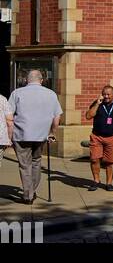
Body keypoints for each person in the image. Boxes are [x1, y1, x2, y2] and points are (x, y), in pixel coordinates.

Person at [8, 68, 62, 204]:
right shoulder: (51, 94)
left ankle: (28, 196)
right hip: (41, 135)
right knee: (36, 162)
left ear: (27, 80)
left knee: (25, 165)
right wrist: (52, 133)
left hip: (21, 135)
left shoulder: (17, 93)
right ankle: (32, 190)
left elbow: (9, 116)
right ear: (42, 80)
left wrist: (8, 136)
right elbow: (57, 117)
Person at [85, 84, 113, 191]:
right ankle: (96, 181)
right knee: (94, 159)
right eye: (104, 94)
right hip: (97, 136)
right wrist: (97, 104)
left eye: (108, 94)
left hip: (112, 137)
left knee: (110, 162)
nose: (106, 96)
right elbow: (88, 116)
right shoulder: (98, 103)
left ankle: (109, 183)